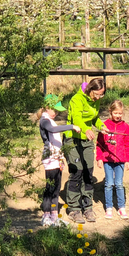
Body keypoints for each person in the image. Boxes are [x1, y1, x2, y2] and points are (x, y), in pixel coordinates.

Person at [63, 78, 108, 224]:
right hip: (73, 138)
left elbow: (95, 118)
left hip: (87, 140)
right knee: (77, 172)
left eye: (102, 95)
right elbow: (77, 119)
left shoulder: (96, 100)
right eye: (98, 94)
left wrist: (101, 126)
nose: (99, 97)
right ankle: (74, 208)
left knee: (88, 172)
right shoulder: (77, 99)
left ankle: (87, 206)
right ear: (91, 89)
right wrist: (86, 130)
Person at [38, 94, 81, 226]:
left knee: (56, 188)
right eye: (54, 110)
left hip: (57, 158)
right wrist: (71, 126)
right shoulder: (44, 120)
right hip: (50, 158)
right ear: (47, 107)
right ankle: (46, 216)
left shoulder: (50, 119)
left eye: (57, 111)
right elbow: (53, 129)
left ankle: (54, 216)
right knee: (50, 188)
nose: (56, 113)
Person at [96, 100, 129, 220]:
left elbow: (128, 144)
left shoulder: (125, 127)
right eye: (116, 113)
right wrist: (99, 158)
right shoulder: (104, 125)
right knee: (109, 184)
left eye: (120, 113)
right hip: (107, 160)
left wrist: (127, 160)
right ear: (110, 112)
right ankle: (109, 207)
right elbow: (99, 143)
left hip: (120, 160)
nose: (118, 116)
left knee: (119, 184)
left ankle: (121, 207)